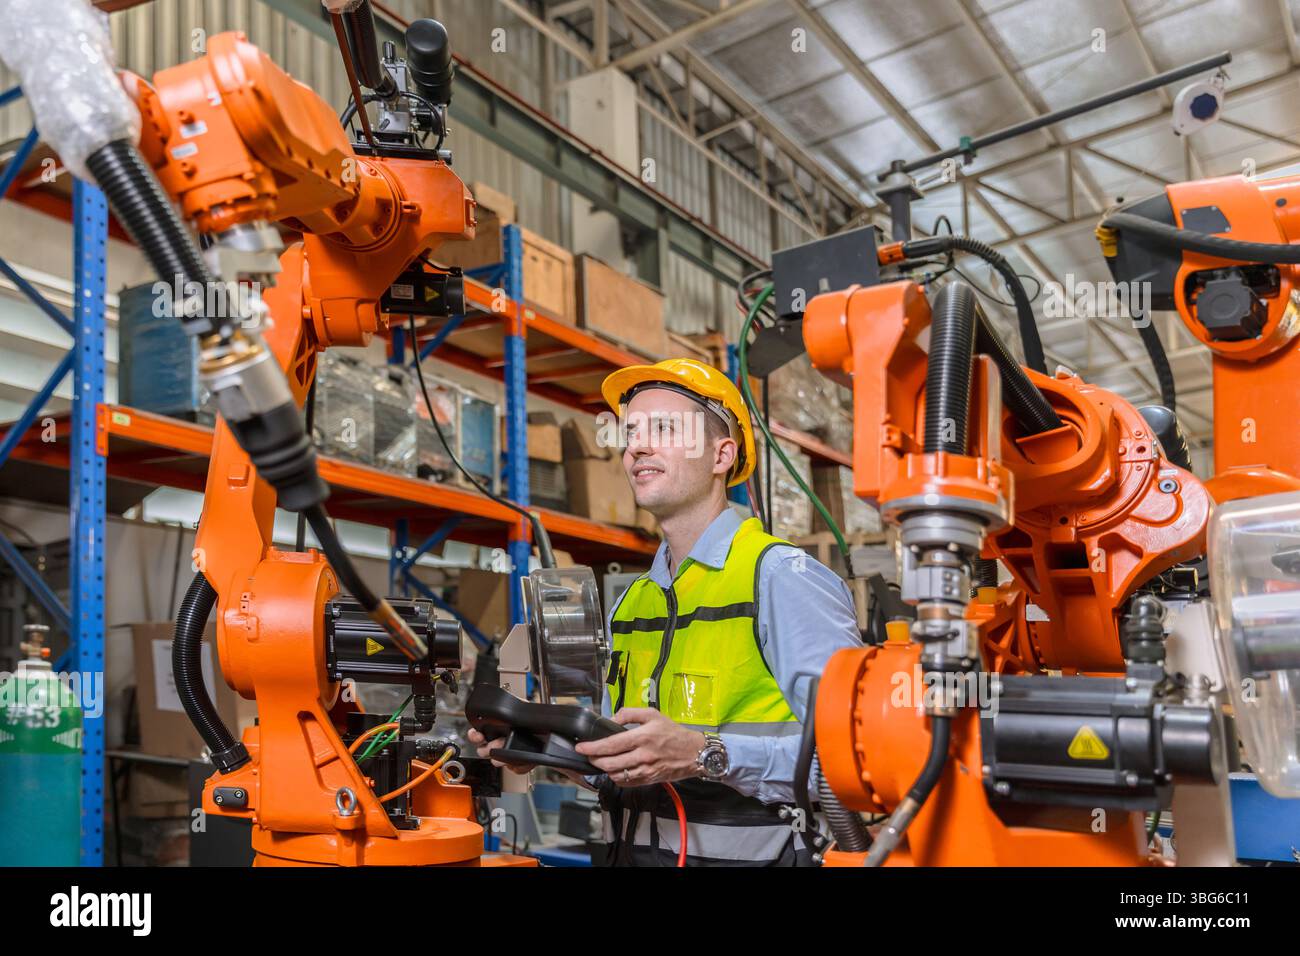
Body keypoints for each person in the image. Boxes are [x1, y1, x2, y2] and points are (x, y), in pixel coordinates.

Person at [470, 358, 861, 865]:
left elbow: (853, 762)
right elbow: (624, 763)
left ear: (722, 455)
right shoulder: (634, 603)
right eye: (631, 433)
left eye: (664, 429)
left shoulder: (782, 578)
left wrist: (704, 755)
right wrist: (538, 746)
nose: (637, 446)